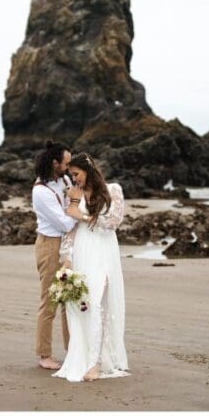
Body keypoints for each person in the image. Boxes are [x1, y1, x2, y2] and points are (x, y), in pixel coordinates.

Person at [54, 152, 129, 383]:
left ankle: (96, 363)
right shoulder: (75, 194)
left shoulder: (113, 190)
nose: (74, 178)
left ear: (88, 169)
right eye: (71, 174)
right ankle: (86, 356)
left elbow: (114, 222)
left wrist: (83, 216)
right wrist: (66, 259)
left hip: (104, 252)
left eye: (76, 174)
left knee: (98, 303)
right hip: (83, 250)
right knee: (84, 304)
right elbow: (70, 229)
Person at [32, 140, 74, 370]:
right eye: (66, 163)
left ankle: (73, 350)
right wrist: (78, 207)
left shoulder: (64, 179)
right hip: (49, 246)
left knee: (69, 299)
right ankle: (44, 355)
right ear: (54, 163)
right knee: (50, 302)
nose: (69, 167)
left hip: (67, 246)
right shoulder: (40, 191)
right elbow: (65, 223)